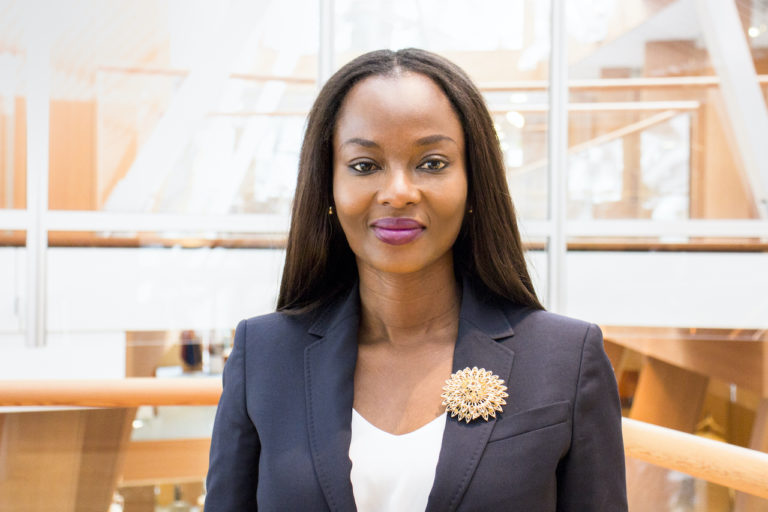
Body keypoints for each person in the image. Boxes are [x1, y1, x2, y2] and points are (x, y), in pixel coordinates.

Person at [205, 48, 627, 511]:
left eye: (432, 163)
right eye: (364, 165)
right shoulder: (264, 356)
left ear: (473, 183)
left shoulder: (566, 358)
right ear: (328, 186)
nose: (399, 193)